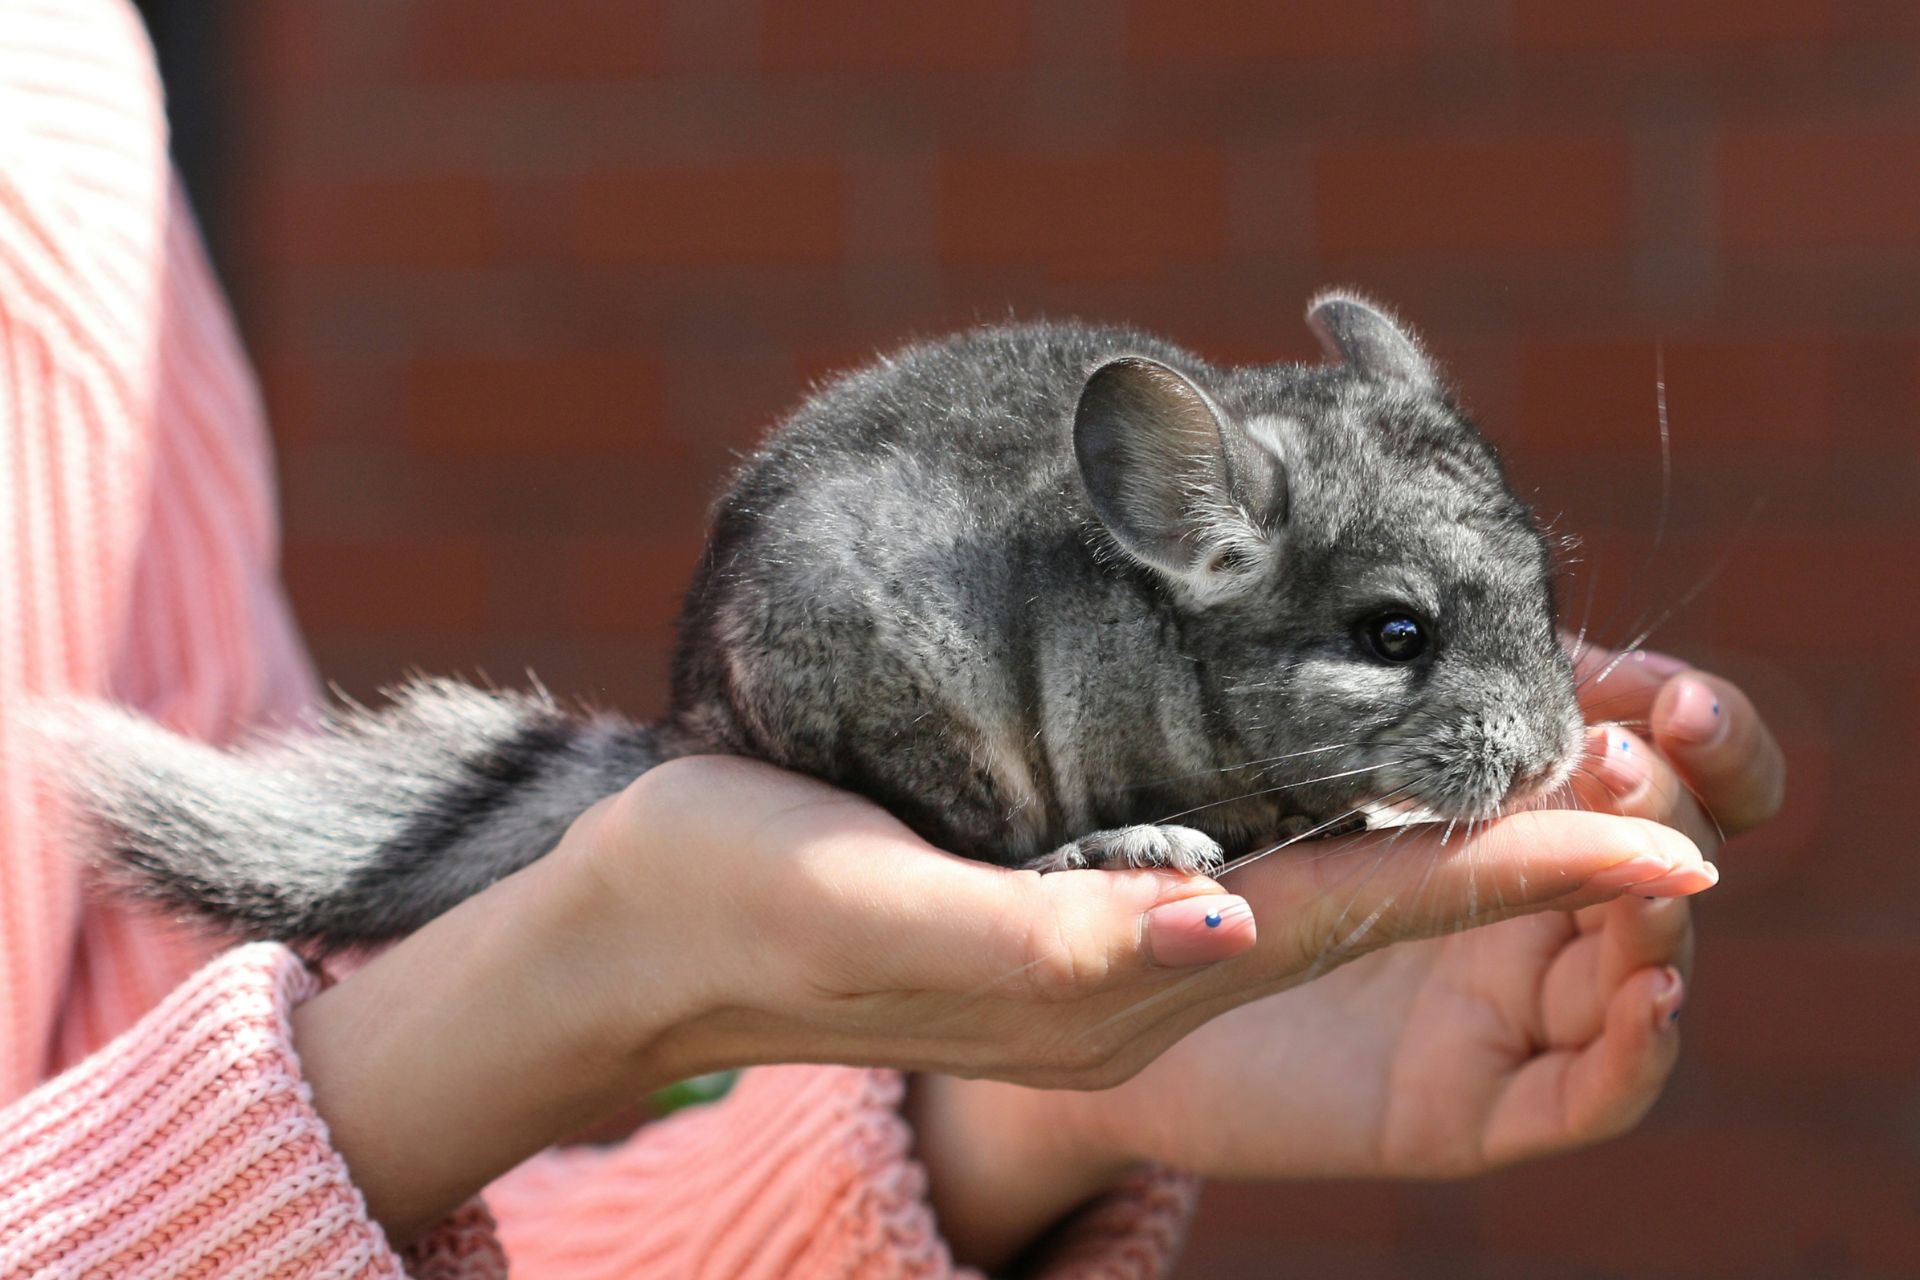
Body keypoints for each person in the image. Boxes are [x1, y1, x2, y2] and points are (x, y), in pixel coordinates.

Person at [0, 2, 1785, 1276]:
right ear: (1197, 537)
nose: (1517, 708)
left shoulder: (71, 143)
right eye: (1401, 641)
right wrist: (581, 977)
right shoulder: (1134, 617)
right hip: (867, 645)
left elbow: (409, 1226)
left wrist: (1029, 1109)